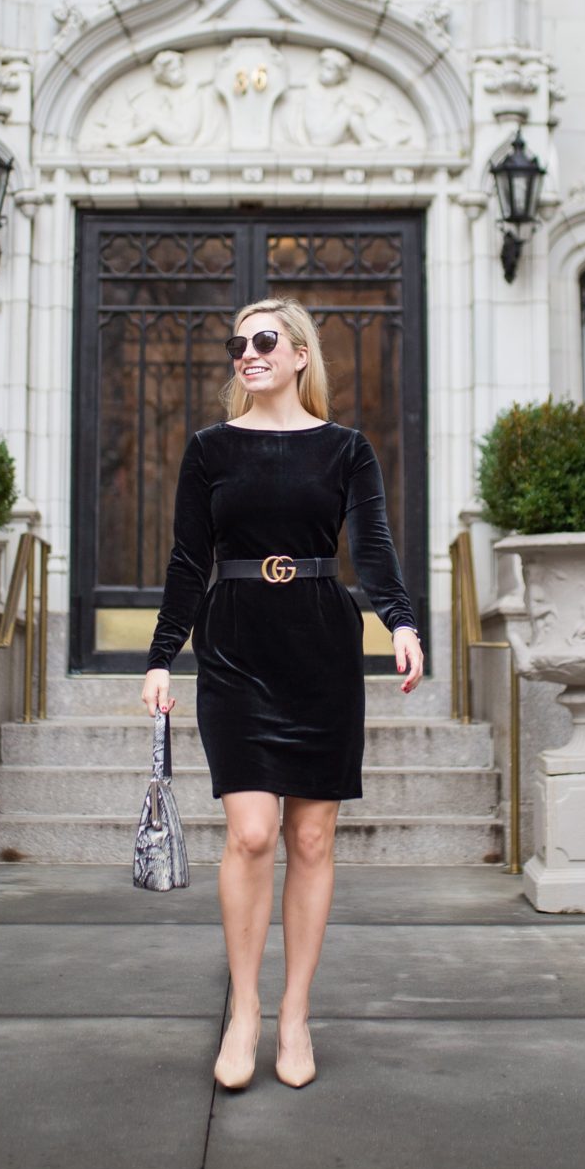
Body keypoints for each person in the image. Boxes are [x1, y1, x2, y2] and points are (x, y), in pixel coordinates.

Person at [141, 296, 423, 1091]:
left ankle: (295, 1014)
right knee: (254, 833)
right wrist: (163, 655)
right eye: (238, 343)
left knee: (310, 841)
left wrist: (398, 623)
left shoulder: (345, 450)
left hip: (319, 642)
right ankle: (245, 1011)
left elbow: (370, 545)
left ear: (300, 354)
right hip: (235, 642)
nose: (247, 353)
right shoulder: (209, 451)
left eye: (264, 340)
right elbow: (186, 561)